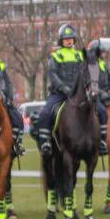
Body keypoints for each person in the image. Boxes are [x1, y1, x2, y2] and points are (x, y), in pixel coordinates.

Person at [36, 24, 86, 156]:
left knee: (96, 110)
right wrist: (65, 89)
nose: (69, 40)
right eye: (66, 38)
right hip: (59, 94)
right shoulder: (56, 56)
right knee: (45, 113)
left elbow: (85, 74)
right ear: (61, 41)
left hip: (77, 94)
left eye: (71, 38)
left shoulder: (80, 55)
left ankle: (98, 140)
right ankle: (45, 141)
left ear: (74, 40)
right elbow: (53, 75)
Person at [88, 37, 110, 156]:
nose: (104, 53)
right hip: (94, 97)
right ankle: (102, 141)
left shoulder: (103, 64)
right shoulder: (91, 65)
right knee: (103, 112)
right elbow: (91, 83)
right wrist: (101, 93)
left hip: (105, 96)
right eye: (102, 51)